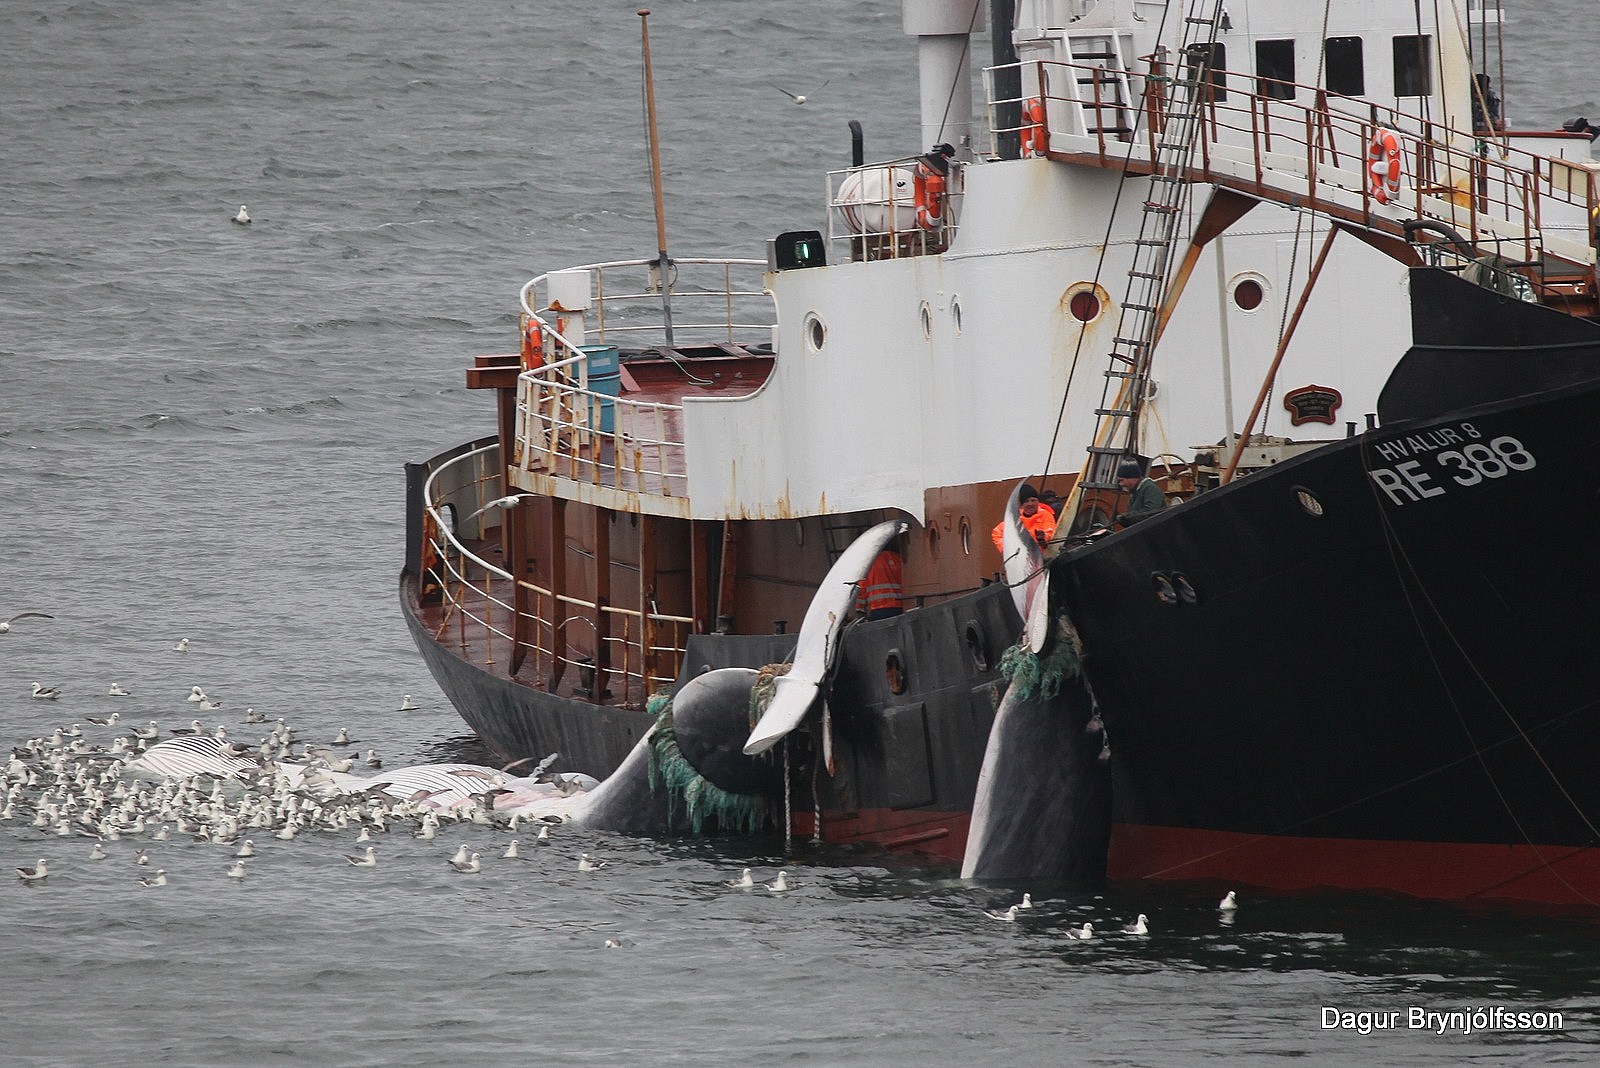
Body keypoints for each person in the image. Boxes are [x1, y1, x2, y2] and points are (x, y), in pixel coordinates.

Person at [992, 483, 1057, 554]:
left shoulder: (1046, 515)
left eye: (1033, 500)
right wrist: (1007, 549)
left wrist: (1043, 538)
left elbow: (1050, 532)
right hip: (1021, 558)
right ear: (1022, 504)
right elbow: (997, 533)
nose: (1030, 504)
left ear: (1038, 501)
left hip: (1042, 558)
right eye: (1026, 501)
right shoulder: (1015, 518)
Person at [1115, 459, 1166, 526]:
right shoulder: (1134, 492)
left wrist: (1128, 517)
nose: (1121, 484)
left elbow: (1152, 511)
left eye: (1121, 480)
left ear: (1132, 478)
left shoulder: (1150, 488)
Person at [860, 546, 904, 620]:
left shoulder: (870, 562)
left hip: (878, 608)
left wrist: (860, 610)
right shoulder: (899, 559)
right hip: (899, 607)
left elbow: (862, 587)